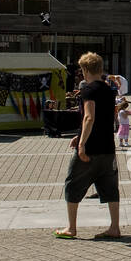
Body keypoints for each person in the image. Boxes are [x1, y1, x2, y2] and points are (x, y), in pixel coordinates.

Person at [55, 51, 121, 240]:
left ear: (85, 70)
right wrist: (78, 135)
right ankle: (114, 227)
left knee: (72, 184)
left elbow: (89, 117)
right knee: (110, 187)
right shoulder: (109, 91)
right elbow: (106, 118)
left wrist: (82, 143)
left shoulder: (88, 90)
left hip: (91, 148)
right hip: (108, 147)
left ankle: (71, 227)